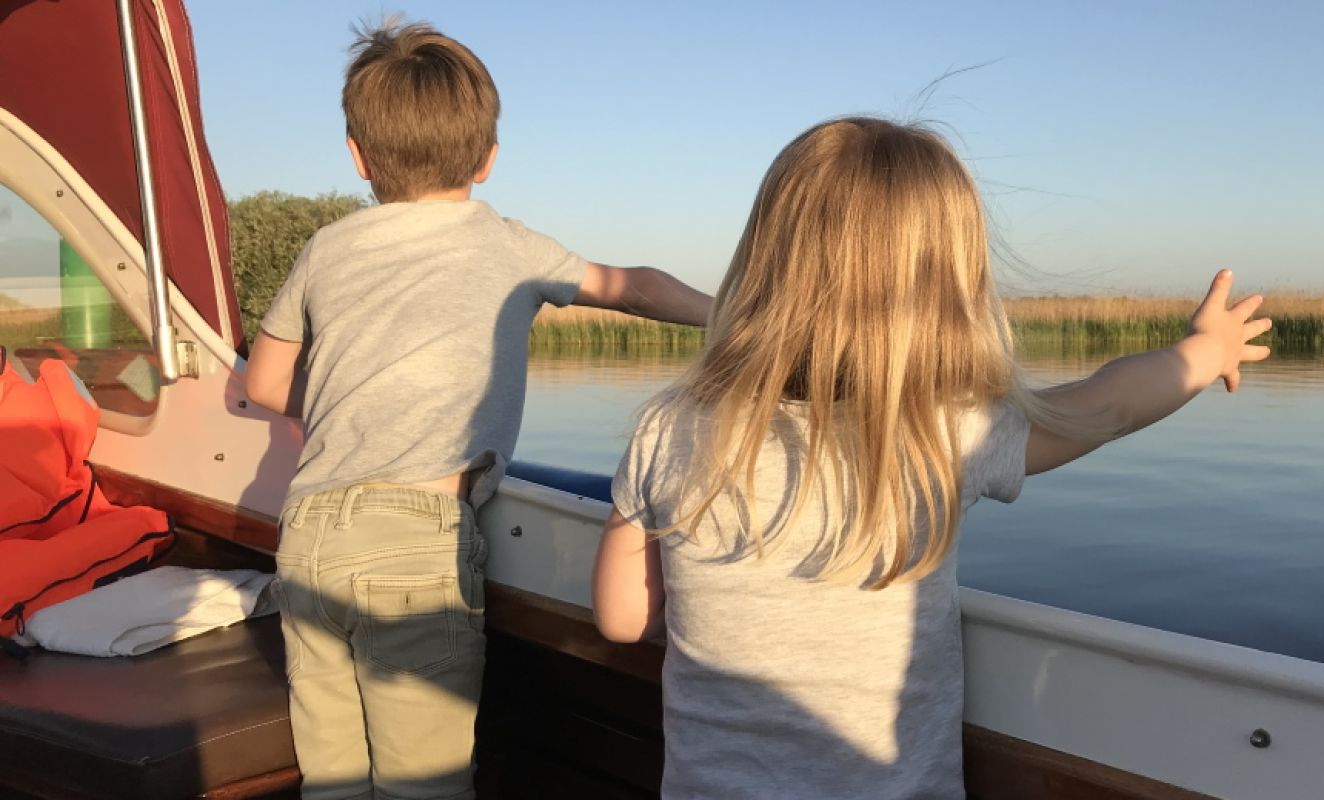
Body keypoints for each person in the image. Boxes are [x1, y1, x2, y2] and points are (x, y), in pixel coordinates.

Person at [593, 116, 1271, 798]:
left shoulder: (667, 427)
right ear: (944, 285)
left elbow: (623, 619)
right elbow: (1105, 405)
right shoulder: (944, 434)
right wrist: (1206, 352)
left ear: (765, 261)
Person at [243, 19, 712, 800]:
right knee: (422, 786)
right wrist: (741, 313)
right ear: (489, 159)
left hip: (309, 536)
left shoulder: (326, 247)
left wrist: (341, 405)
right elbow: (630, 285)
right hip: (414, 546)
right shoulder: (506, 245)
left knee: (332, 783)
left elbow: (262, 384)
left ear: (357, 156)